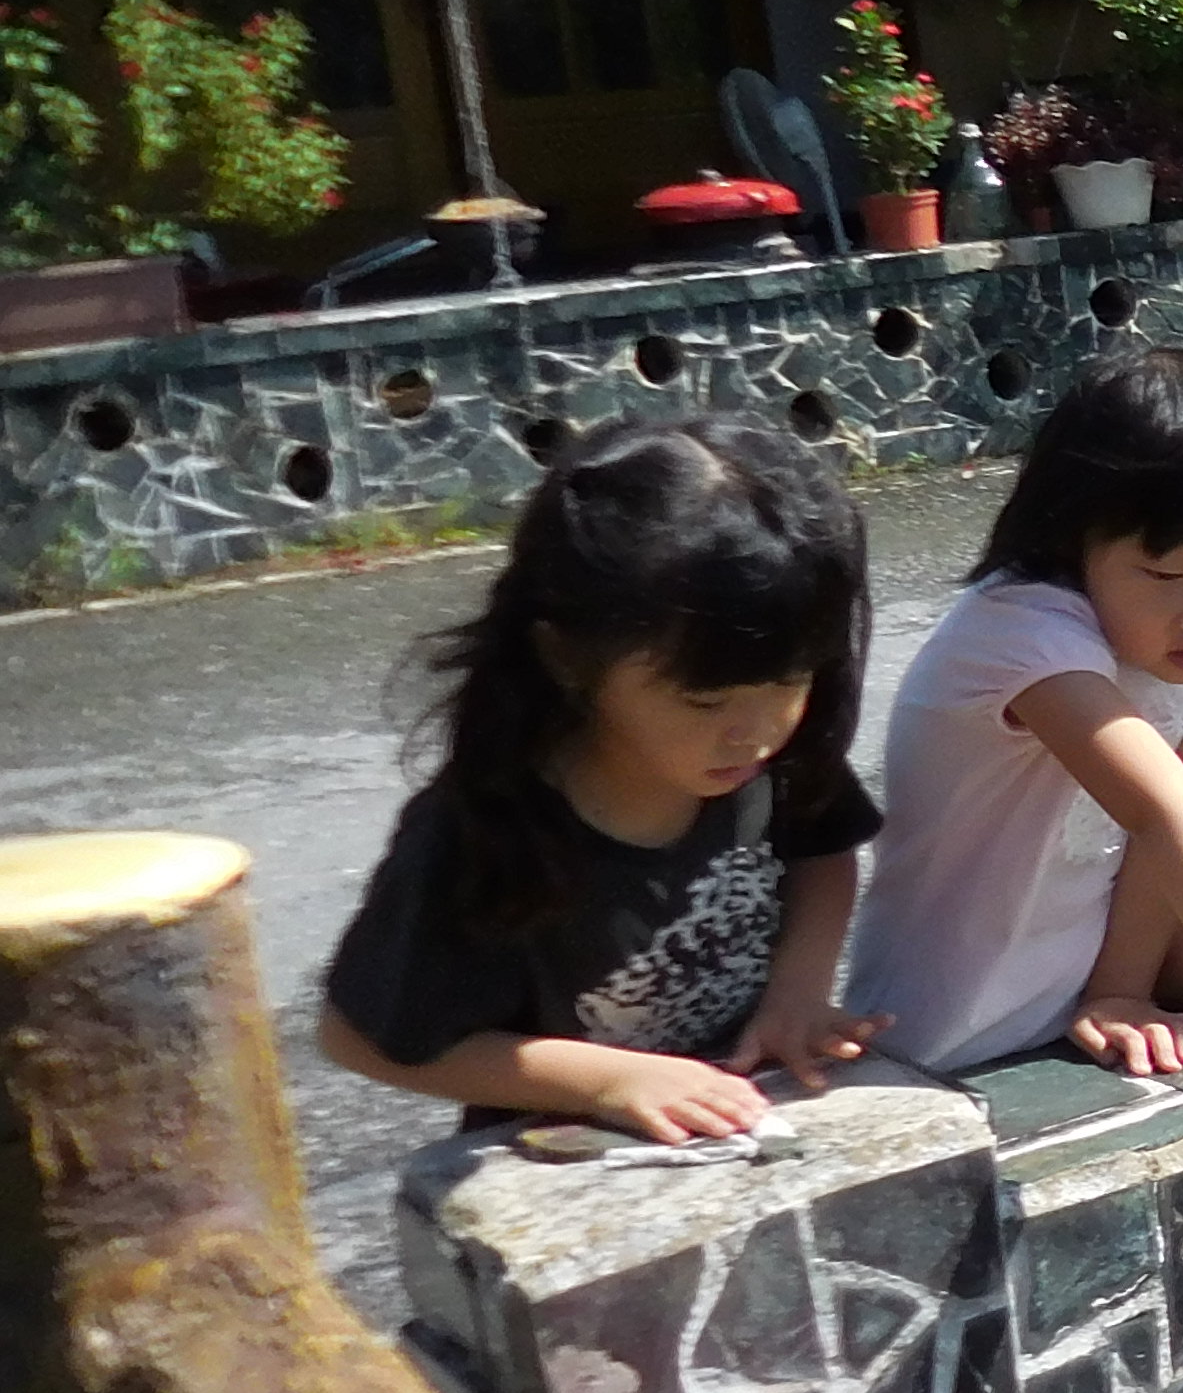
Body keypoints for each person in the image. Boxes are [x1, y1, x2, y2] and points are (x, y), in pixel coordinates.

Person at [846, 343, 1183, 1167]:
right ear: (1075, 537)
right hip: (923, 1048)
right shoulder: (1019, 636)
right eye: (1164, 574)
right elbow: (1160, 812)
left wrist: (1121, 991)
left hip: (1053, 1029)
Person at [321, 414, 881, 1144]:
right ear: (567, 657)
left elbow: (823, 848)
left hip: (747, 1129)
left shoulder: (766, 755)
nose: (756, 732)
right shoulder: (489, 824)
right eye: (703, 701)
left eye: (791, 682)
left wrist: (798, 991)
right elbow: (357, 1037)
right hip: (569, 1162)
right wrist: (608, 1082)